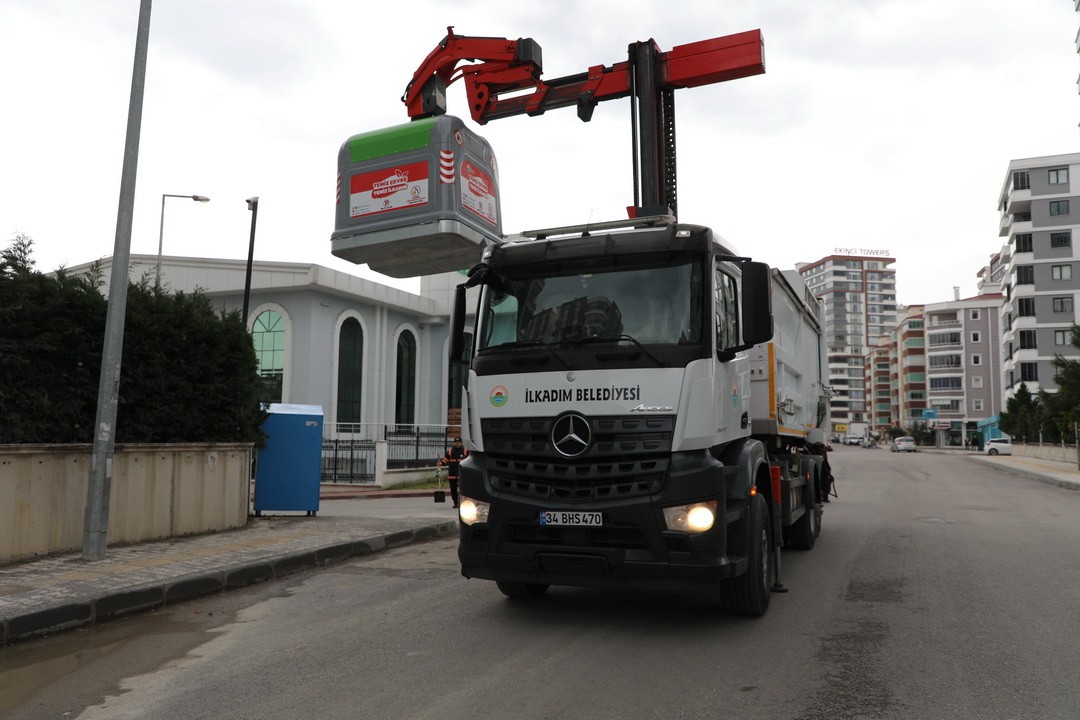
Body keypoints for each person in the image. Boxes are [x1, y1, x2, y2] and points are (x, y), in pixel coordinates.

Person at [437, 438, 468, 508]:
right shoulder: (450, 451)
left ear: (461, 443)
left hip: (462, 474)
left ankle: (463, 502)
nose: (457, 444)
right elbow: (445, 460)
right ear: (454, 443)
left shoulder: (465, 451)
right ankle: (455, 502)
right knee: (453, 489)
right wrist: (441, 463)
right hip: (452, 474)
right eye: (456, 442)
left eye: (459, 442)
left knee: (463, 489)